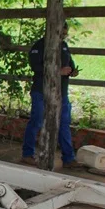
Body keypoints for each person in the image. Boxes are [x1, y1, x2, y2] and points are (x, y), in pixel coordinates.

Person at [21, 22, 80, 168]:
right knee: (37, 122)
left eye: (65, 34)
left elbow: (71, 64)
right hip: (41, 91)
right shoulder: (39, 46)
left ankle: (68, 158)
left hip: (61, 92)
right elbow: (36, 67)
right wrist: (57, 72)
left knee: (64, 124)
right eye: (62, 34)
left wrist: (72, 71)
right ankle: (27, 154)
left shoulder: (64, 46)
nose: (64, 36)